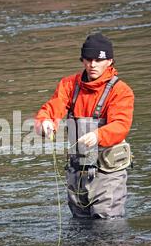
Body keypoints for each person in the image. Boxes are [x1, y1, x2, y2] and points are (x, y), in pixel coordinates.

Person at [35, 33, 134, 219]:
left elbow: (121, 125)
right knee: (80, 226)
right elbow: (51, 108)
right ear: (83, 60)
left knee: (106, 226)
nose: (93, 65)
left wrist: (98, 135)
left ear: (110, 61)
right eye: (88, 59)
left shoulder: (121, 91)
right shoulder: (68, 85)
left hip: (108, 174)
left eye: (98, 59)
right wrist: (45, 123)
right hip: (76, 172)